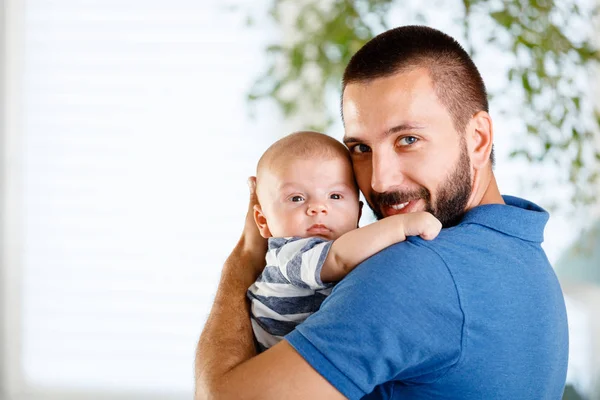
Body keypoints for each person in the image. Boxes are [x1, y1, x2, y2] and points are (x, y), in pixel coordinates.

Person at [195, 25, 569, 399]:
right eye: (360, 148)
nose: (380, 180)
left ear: (478, 139)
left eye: (408, 140)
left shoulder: (414, 272)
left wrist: (246, 256)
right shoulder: (524, 253)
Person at [248, 131, 441, 351]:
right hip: (282, 370)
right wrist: (402, 225)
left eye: (335, 196)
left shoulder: (354, 246)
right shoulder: (288, 254)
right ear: (263, 222)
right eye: (296, 198)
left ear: (358, 214)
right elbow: (339, 259)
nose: (318, 207)